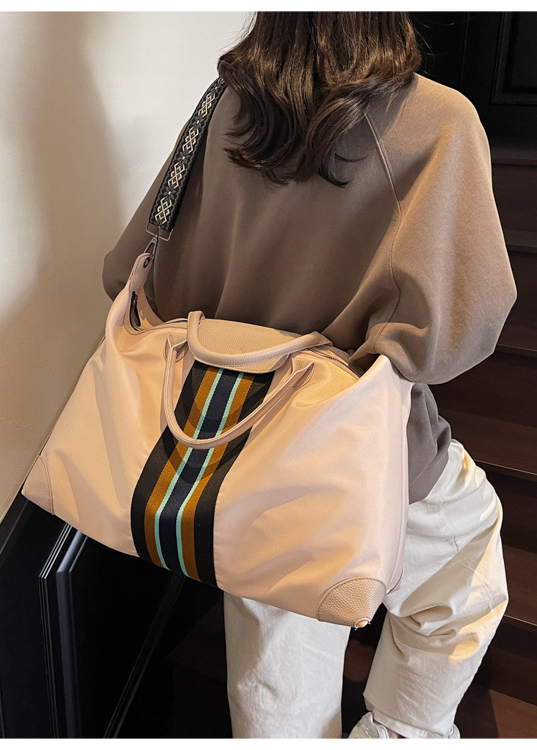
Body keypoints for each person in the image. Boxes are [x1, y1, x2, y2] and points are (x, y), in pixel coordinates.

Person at [102, 12, 515, 740]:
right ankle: (401, 733)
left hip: (227, 445)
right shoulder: (437, 121)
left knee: (275, 648)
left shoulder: (223, 111)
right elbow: (457, 332)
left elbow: (126, 271)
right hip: (361, 443)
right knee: (465, 558)